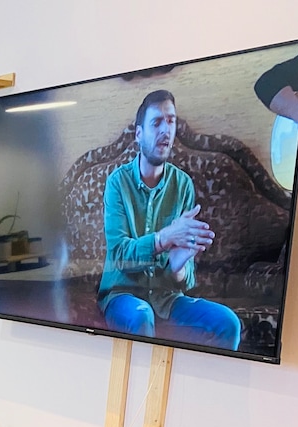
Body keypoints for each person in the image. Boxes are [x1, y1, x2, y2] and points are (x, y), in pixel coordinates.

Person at [97, 90, 242, 350]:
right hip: (122, 293)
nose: (166, 130)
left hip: (167, 297)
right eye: (156, 122)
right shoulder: (117, 182)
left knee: (228, 323)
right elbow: (118, 254)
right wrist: (163, 239)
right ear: (139, 134)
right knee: (142, 315)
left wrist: (178, 267)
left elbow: (186, 278)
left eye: (171, 121)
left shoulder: (182, 184)